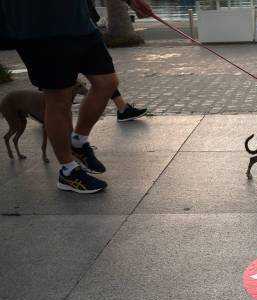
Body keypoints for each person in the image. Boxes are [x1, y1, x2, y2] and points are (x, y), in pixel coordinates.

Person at [0, 0, 153, 194]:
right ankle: (68, 172)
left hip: (80, 24)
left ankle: (78, 141)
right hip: (39, 29)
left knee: (107, 83)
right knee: (59, 99)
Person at [88, 0, 148, 122]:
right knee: (59, 93)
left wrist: (133, 3)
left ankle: (122, 109)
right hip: (65, 30)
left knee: (107, 78)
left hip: (85, 26)